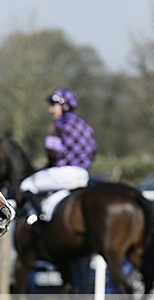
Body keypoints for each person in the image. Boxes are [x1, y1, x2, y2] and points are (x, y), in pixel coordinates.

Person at [20, 88, 97, 224]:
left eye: (53, 106)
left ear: (65, 106)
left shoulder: (57, 126)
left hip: (63, 173)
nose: (50, 110)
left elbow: (52, 152)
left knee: (26, 185)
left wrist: (49, 165)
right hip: (83, 174)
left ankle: (36, 221)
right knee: (54, 201)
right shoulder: (86, 126)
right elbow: (94, 150)